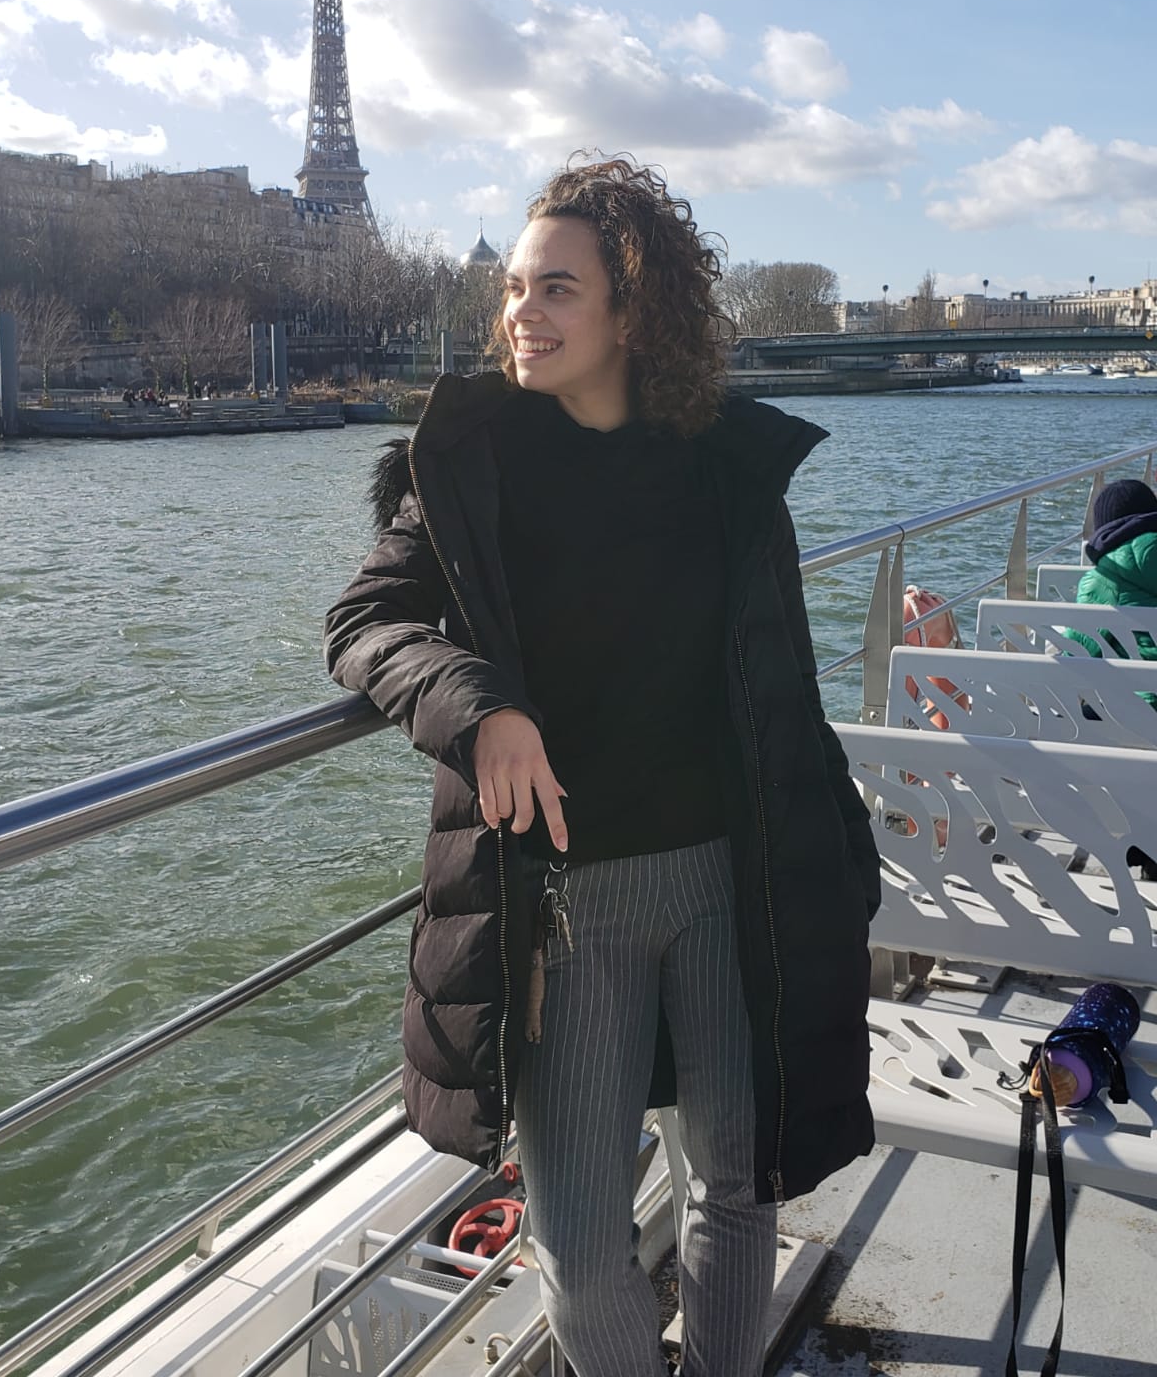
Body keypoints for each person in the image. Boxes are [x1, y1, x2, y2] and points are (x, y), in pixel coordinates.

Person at [324, 157, 879, 1377]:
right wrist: (478, 708)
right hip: (565, 905)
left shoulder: (726, 466)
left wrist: (841, 854)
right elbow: (363, 623)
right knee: (576, 1242)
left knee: (735, 1186)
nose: (521, 313)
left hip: (730, 878)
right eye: (514, 289)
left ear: (634, 310)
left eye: (557, 289)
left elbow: (786, 683)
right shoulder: (468, 465)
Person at [1069, 476, 1157, 878]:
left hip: (1128, 725)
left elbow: (1074, 655)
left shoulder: (1100, 580)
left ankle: (1140, 840)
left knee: (1098, 711)